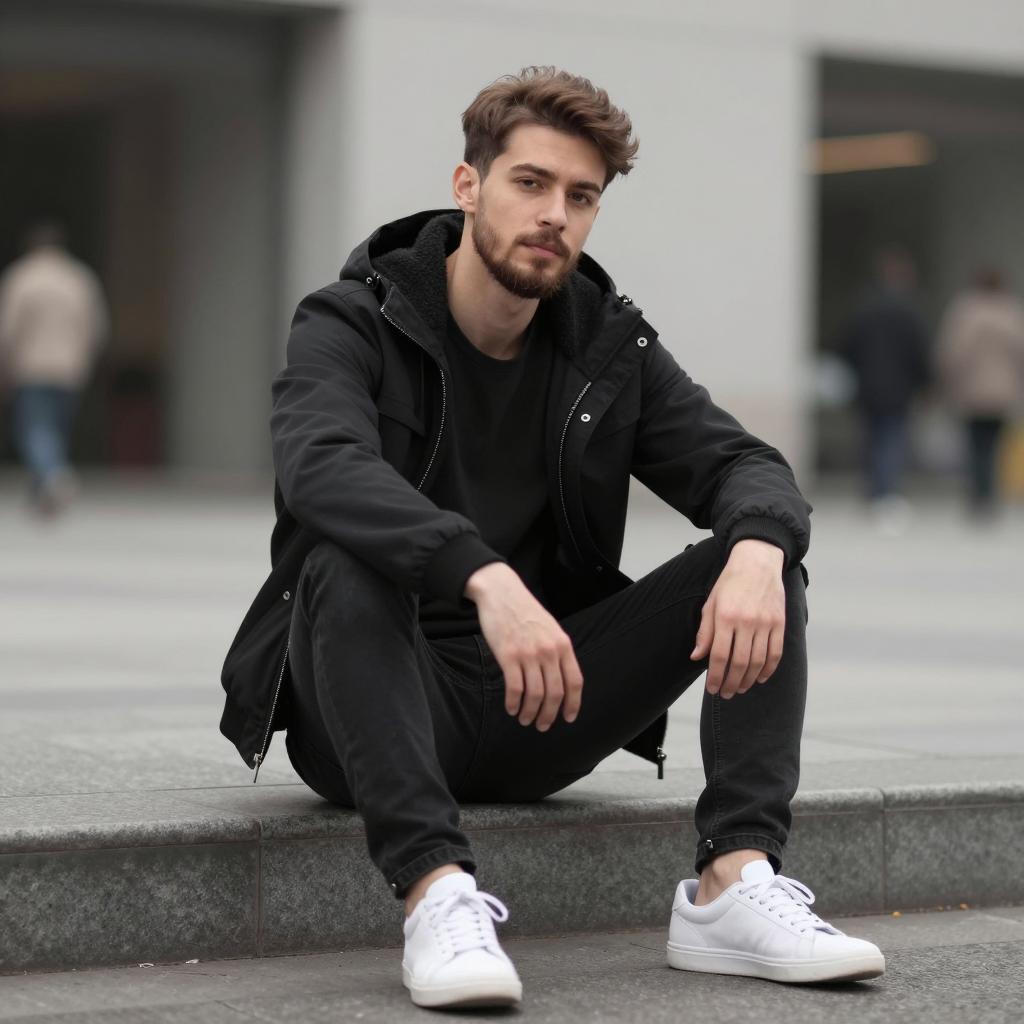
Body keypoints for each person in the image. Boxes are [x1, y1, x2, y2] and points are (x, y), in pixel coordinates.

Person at [221, 67, 885, 1009]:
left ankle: (732, 884)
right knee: (343, 559)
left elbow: (745, 463)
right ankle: (437, 896)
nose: (554, 216)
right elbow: (320, 466)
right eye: (530, 183)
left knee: (761, 559)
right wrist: (481, 574)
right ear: (468, 186)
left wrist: (759, 549)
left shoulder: (607, 347)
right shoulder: (353, 319)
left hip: (543, 702)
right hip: (370, 703)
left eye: (581, 197)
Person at [0, 221, 108, 515]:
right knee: (56, 429)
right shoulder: (79, 279)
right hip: (70, 368)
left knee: (35, 429)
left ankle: (53, 475)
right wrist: (85, 359)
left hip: (32, 366)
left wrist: (5, 364)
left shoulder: (22, 277)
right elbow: (96, 327)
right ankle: (43, 492)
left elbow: (8, 328)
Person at [839, 247, 930, 530]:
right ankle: (887, 494)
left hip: (868, 385)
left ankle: (873, 492)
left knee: (871, 439)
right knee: (892, 440)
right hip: (899, 388)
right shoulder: (909, 312)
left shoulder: (865, 308)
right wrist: (924, 382)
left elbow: (847, 345)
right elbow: (919, 351)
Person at [936, 267, 1024, 519]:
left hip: (972, 390)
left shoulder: (966, 311)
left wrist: (947, 381)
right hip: (1003, 391)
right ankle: (989, 494)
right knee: (995, 446)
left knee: (975, 445)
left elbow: (953, 352)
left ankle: (978, 495)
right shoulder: (1011, 312)